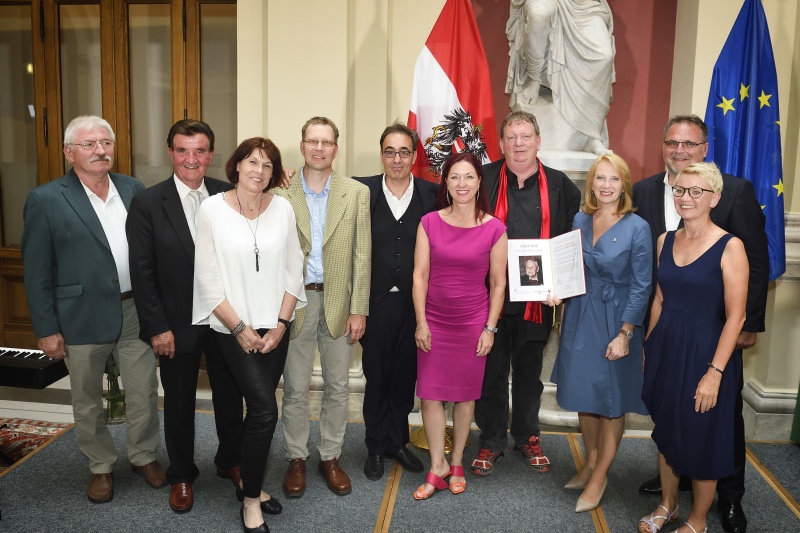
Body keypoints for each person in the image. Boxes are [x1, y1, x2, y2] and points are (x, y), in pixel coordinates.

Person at [633, 115, 769, 533]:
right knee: (669, 431)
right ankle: (670, 506)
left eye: (696, 191)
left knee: (706, 436)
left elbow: (737, 315)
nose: (686, 197)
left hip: (708, 350)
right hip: (668, 347)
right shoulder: (664, 241)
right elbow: (658, 297)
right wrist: (649, 348)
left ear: (714, 196)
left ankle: (698, 520)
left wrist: (714, 372)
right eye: (680, 190)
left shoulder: (731, 247)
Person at [21, 115, 165, 503]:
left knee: (144, 391)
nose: (100, 150)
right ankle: (100, 466)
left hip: (134, 310)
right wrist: (47, 328)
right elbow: (36, 271)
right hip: (79, 316)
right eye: (89, 144)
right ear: (69, 152)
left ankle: (144, 455)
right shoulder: (45, 199)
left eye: (106, 143)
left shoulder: (133, 188)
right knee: (86, 398)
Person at [126, 119, 245, 513]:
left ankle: (230, 461)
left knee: (231, 395)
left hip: (225, 319)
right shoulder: (147, 202)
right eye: (182, 150)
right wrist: (157, 327)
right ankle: (181, 475)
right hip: (175, 325)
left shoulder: (229, 194)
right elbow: (142, 273)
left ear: (212, 154)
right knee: (178, 401)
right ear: (170, 153)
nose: (191, 159)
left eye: (199, 151)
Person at [192, 137, 306, 533]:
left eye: (267, 165)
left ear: (274, 174)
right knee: (264, 411)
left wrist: (281, 324)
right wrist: (239, 328)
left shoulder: (284, 209)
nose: (259, 170)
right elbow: (206, 279)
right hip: (229, 327)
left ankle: (251, 484)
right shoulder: (212, 210)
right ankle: (252, 500)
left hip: (274, 327)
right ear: (237, 165)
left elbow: (295, 270)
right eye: (251, 161)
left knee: (259, 413)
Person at [471, 111, 581, 476]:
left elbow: (568, 244)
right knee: (491, 372)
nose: (519, 144)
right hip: (488, 300)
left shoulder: (562, 186)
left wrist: (561, 289)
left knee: (530, 374)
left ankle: (526, 435)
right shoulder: (482, 181)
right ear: (501, 144)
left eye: (526, 136)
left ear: (538, 141)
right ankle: (490, 439)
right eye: (512, 137)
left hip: (539, 302)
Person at [272, 117, 371, 498]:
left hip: (339, 301)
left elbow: (363, 256)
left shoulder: (355, 193)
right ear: (302, 145)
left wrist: (358, 308)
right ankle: (296, 457)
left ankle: (329, 456)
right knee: (295, 385)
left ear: (336, 148)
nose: (319, 148)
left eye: (326, 142)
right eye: (312, 141)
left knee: (338, 385)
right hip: (293, 301)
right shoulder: (279, 193)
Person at [549, 154, 652, 512]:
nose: (606, 186)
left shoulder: (638, 227)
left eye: (614, 179)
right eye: (600, 179)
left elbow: (642, 286)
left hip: (616, 319)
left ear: (624, 184)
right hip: (579, 314)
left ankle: (600, 476)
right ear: (591, 184)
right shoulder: (580, 218)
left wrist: (625, 333)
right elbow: (569, 266)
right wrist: (557, 290)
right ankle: (591, 460)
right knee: (582, 392)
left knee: (611, 401)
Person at [412, 152, 507, 499]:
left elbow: (498, 284)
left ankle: (456, 463)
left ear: (479, 182)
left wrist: (489, 328)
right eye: (455, 177)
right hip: (434, 322)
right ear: (446, 183)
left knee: (466, 398)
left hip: (472, 324)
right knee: (431, 395)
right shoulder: (429, 222)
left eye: (469, 177)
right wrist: (421, 323)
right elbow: (419, 276)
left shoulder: (495, 228)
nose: (462, 184)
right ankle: (436, 465)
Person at [353, 122, 437, 480]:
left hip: (416, 304)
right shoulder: (361, 190)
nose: (397, 158)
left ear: (415, 156)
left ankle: (396, 441)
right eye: (390, 151)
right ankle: (374, 444)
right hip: (374, 303)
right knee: (377, 376)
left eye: (404, 151)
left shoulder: (432, 195)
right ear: (381, 154)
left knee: (405, 376)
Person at [506, 0, 615, 155]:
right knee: (539, 13)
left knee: (604, 56)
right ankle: (536, 78)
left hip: (583, 5)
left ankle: (591, 135)